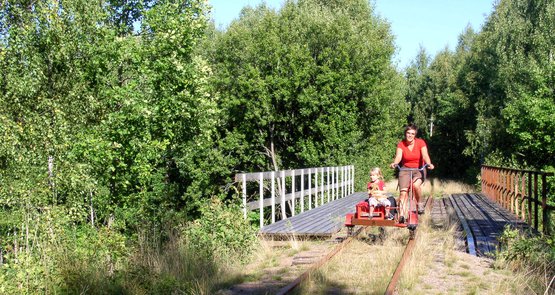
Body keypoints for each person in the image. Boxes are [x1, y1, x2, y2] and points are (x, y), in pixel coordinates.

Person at [389, 124, 434, 220]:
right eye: (408, 133)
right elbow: (398, 157)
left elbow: (425, 155)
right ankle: (402, 215)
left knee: (415, 185)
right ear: (405, 133)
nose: (410, 135)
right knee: (403, 193)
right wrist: (395, 163)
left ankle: (420, 203)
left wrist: (429, 163)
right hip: (405, 169)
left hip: (419, 169)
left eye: (412, 134)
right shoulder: (401, 144)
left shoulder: (420, 143)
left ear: (415, 135)